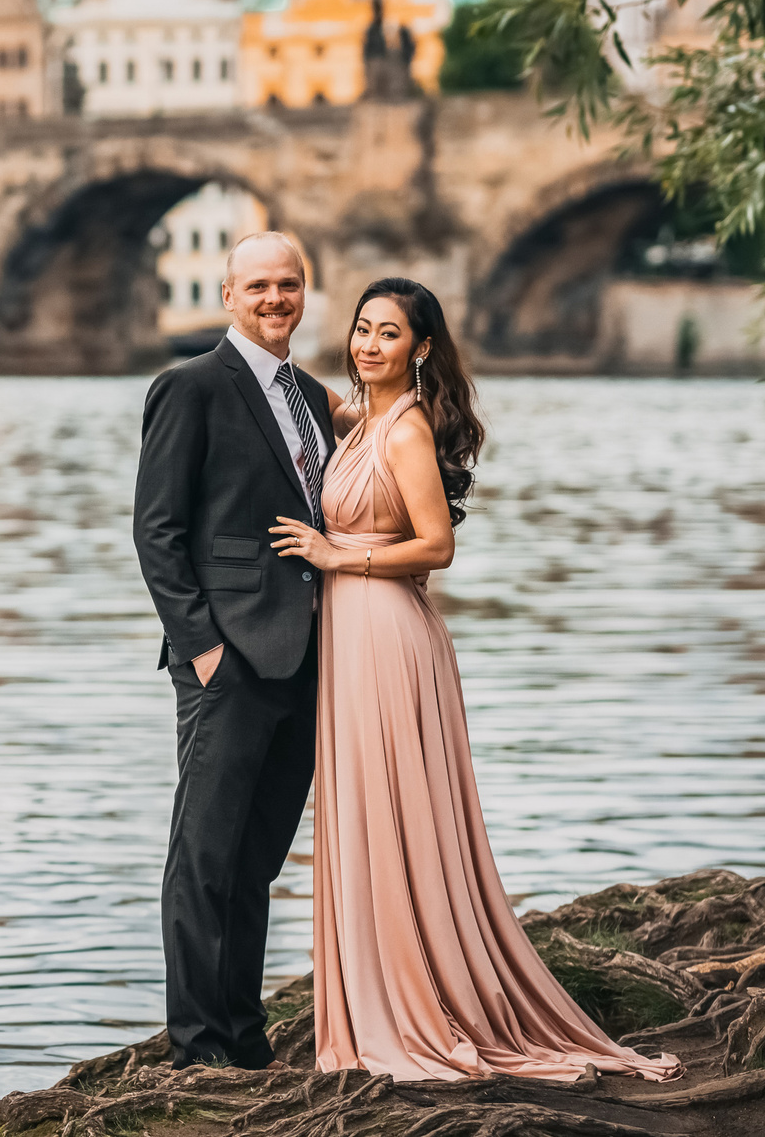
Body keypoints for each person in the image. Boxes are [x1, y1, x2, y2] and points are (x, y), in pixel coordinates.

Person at [270, 278, 680, 1083]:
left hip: (387, 632)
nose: (367, 345)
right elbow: (285, 392)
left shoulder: (407, 431)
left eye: (389, 334)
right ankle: (376, 993)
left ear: (421, 348)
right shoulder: (362, 421)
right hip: (351, 637)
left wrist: (334, 554)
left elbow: (435, 547)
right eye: (360, 329)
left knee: (398, 813)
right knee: (365, 811)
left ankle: (418, 1005)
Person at [132, 230, 337, 1070]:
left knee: (255, 862)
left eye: (288, 285)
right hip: (229, 660)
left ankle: (244, 1037)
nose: (274, 299)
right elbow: (157, 531)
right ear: (228, 296)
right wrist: (203, 649)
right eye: (257, 286)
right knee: (204, 859)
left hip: (310, 659)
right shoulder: (190, 387)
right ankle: (198, 1046)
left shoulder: (314, 397)